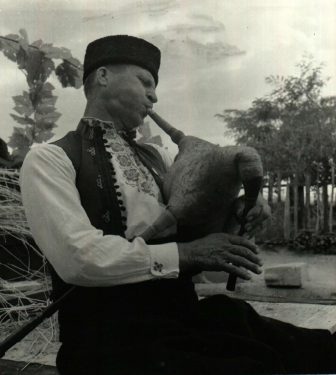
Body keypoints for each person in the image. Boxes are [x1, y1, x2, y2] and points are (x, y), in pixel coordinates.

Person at [20, 35, 336, 375]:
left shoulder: (162, 160)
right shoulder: (50, 159)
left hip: (181, 322)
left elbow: (211, 269)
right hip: (110, 341)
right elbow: (78, 259)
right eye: (144, 82)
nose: (154, 95)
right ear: (103, 76)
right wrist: (189, 253)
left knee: (266, 332)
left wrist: (234, 222)